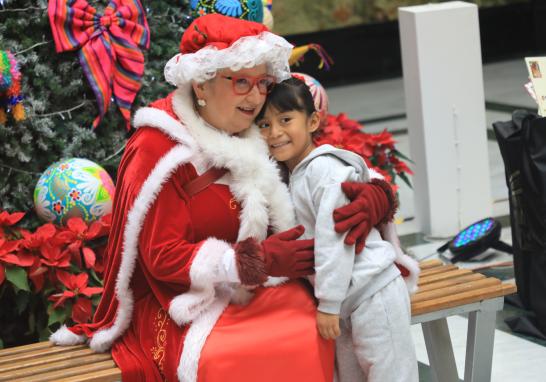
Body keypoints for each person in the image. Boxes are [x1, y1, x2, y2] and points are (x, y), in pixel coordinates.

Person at [50, 14, 397, 382]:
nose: (256, 96)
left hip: (265, 287)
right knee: (234, 356)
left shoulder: (257, 126)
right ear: (201, 83)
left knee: (314, 324)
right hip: (184, 301)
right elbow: (160, 255)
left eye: (262, 83)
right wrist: (247, 262)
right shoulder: (161, 147)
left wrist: (376, 194)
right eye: (242, 82)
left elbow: (317, 167)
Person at [256, 76, 419, 382]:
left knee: (392, 374)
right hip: (343, 300)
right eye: (264, 125)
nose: (274, 132)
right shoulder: (288, 175)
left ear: (314, 120)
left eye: (286, 119)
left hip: (372, 290)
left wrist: (329, 304)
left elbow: (336, 237)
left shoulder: (324, 170)